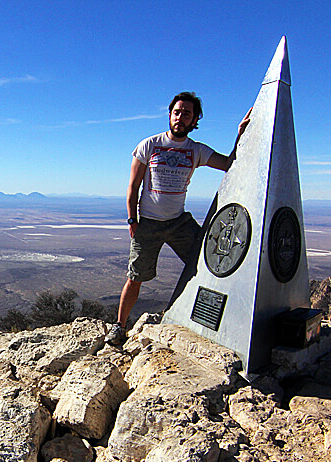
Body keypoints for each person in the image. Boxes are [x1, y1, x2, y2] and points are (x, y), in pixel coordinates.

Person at [105, 92, 251, 345]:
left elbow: (229, 164)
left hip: (179, 223)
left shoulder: (196, 150)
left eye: (187, 114)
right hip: (148, 223)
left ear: (194, 120)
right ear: (170, 114)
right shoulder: (149, 145)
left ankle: (210, 321)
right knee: (135, 276)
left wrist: (241, 134)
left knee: (208, 264)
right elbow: (133, 187)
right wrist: (132, 220)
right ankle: (119, 326)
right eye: (177, 112)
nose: (180, 117)